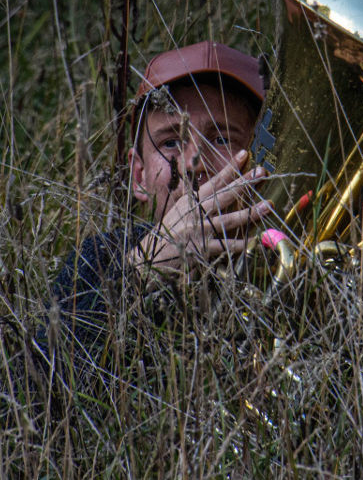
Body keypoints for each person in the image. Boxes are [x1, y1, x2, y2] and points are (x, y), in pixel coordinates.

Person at [21, 41, 272, 403]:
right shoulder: (99, 259)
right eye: (171, 142)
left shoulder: (295, 258)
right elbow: (37, 401)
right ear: (138, 175)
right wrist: (143, 271)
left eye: (221, 138)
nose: (192, 163)